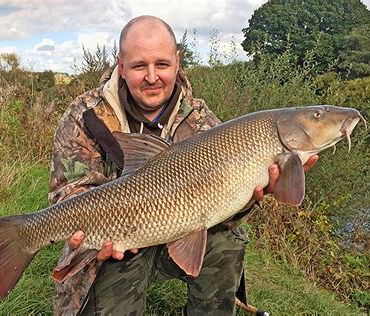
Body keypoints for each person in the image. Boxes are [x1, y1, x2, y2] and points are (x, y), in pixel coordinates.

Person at [48, 15, 317, 315]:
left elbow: (224, 210)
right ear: (121, 66)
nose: (152, 77)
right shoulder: (85, 116)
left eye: (162, 64)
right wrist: (90, 234)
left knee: (229, 240)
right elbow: (67, 194)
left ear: (177, 63)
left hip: (176, 231)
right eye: (139, 66)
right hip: (114, 239)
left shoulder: (200, 122)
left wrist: (254, 197)